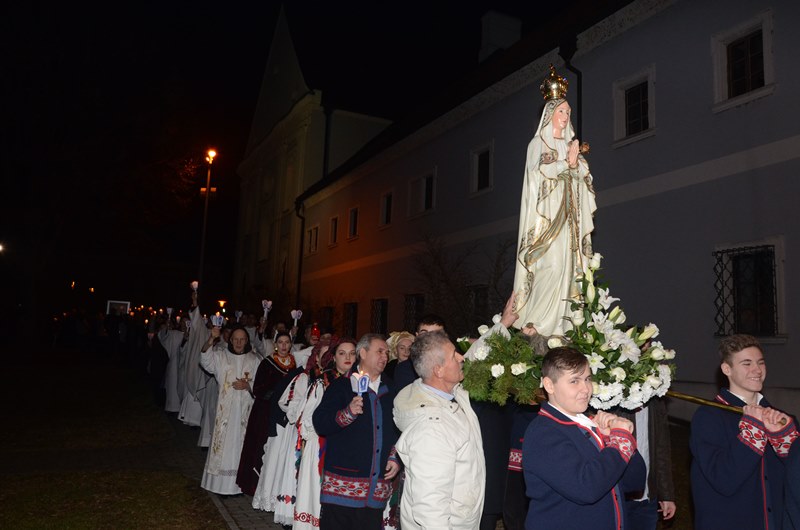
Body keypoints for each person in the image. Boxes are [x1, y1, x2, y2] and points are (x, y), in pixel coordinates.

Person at [512, 65, 596, 337]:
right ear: (550, 115)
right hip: (548, 219)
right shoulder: (538, 144)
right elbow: (541, 173)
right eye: (561, 111)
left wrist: (575, 164)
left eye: (568, 112)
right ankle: (539, 323)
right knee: (552, 266)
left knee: (571, 268)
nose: (566, 115)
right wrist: (566, 163)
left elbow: (584, 174)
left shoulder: (571, 144)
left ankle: (565, 324)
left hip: (570, 218)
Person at [522, 347, 645, 530]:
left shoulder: (587, 424)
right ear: (549, 385)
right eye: (574, 381)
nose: (585, 389)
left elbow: (634, 482)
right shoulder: (543, 433)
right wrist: (620, 442)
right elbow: (587, 488)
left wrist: (614, 439)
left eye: (587, 379)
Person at [690, 334, 798, 530]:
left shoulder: (780, 418)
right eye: (747, 363)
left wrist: (786, 440)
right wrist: (753, 431)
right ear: (727, 369)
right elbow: (724, 480)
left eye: (760, 363)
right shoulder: (709, 417)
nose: (757, 370)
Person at [393, 330, 485, 529]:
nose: (462, 358)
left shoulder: (449, 394)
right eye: (454, 355)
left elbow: (474, 358)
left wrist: (503, 324)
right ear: (438, 371)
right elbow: (430, 506)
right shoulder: (432, 430)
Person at [312, 333, 401, 530]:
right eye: (379, 351)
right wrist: (348, 413)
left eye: (386, 352)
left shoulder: (392, 389)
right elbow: (320, 423)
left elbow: (400, 429)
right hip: (341, 491)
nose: (385, 357)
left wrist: (396, 457)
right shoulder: (342, 386)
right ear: (362, 352)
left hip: (376, 491)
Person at [294, 337, 357, 530]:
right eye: (342, 353)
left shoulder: (361, 382)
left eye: (352, 353)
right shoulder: (323, 382)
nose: (348, 357)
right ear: (334, 358)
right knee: (317, 493)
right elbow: (308, 418)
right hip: (321, 444)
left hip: (349, 449)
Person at [199, 326, 260, 495]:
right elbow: (204, 359)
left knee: (242, 446)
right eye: (235, 339)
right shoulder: (221, 357)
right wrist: (211, 338)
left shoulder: (254, 360)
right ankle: (221, 486)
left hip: (245, 413)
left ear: (247, 341)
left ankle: (240, 486)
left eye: (242, 339)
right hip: (224, 413)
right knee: (224, 448)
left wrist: (248, 385)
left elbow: (262, 385)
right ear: (230, 340)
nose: (239, 342)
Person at [236, 331, 298, 496]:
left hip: (286, 415)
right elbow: (257, 389)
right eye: (281, 342)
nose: (284, 346)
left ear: (291, 344)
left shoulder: (295, 364)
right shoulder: (267, 363)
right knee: (261, 448)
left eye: (287, 342)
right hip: (265, 413)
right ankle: (257, 486)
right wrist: (278, 395)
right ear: (275, 344)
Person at [615, 397, 676, 529]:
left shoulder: (655, 403)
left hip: (647, 499)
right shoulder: (611, 400)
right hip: (619, 499)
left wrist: (666, 494)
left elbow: (661, 450)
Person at [394, 314, 446, 390]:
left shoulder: (453, 365)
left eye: (436, 334)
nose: (429, 339)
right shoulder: (405, 369)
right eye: (424, 334)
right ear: (417, 336)